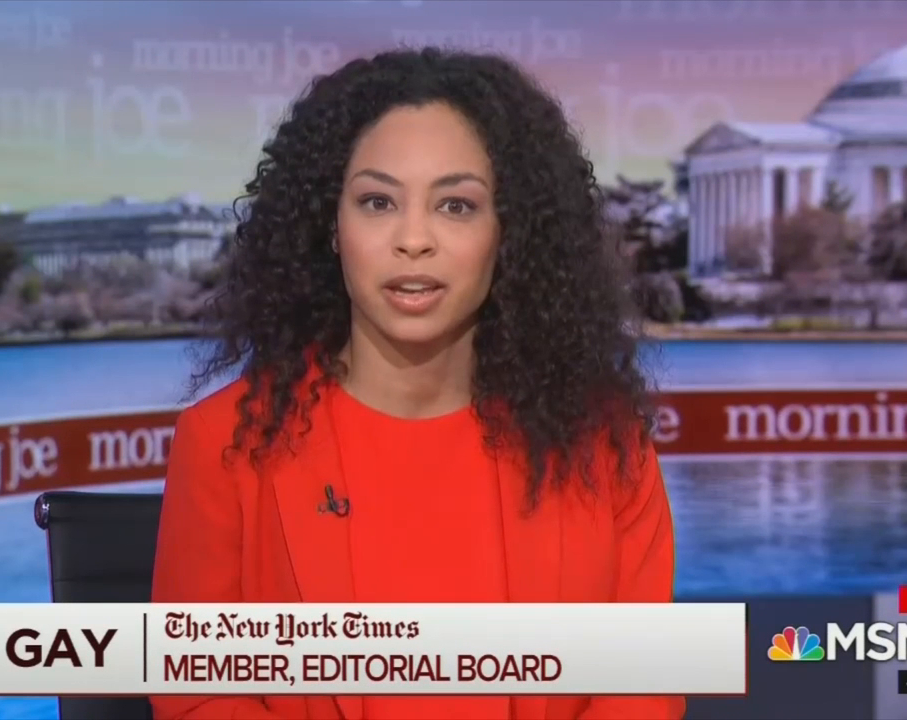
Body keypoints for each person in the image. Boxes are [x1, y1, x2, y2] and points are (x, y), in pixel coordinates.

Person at [151, 46, 682, 720]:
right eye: (377, 202)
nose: (413, 239)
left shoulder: (604, 444)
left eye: (456, 206)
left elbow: (642, 688)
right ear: (331, 227)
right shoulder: (225, 443)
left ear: (507, 232)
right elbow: (198, 695)